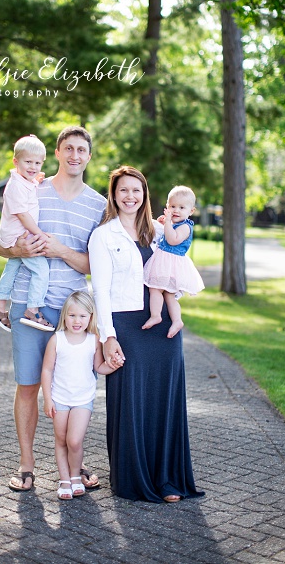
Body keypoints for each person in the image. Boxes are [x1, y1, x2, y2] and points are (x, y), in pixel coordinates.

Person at [0, 126, 107, 492]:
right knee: (28, 385)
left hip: (73, 311)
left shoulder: (98, 205)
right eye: (68, 148)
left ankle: (76, 462)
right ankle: (27, 465)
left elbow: (95, 264)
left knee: (73, 388)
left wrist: (60, 250)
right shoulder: (31, 187)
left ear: (89, 156)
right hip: (29, 303)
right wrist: (17, 251)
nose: (75, 155)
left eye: (81, 150)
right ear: (57, 152)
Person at [89, 166, 204, 503]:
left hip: (163, 326)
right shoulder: (103, 236)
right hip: (127, 325)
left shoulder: (159, 229)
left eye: (136, 190)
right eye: (123, 190)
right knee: (132, 400)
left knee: (164, 399)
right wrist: (107, 337)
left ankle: (168, 479)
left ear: (145, 195)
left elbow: (175, 266)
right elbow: (101, 291)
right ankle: (135, 478)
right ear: (114, 194)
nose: (130, 196)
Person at [40, 291, 117, 500]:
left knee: (74, 441)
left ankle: (75, 476)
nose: (77, 321)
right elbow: (47, 370)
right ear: (64, 316)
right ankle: (64, 480)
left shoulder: (94, 340)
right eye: (72, 315)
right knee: (61, 439)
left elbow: (98, 367)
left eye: (82, 316)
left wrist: (113, 365)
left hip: (83, 399)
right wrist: (47, 399)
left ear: (91, 317)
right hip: (59, 398)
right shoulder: (57, 339)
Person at [0, 134, 54, 332]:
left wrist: (35, 180)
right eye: (28, 162)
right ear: (16, 161)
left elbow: (29, 187)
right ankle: (33, 310)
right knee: (41, 270)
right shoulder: (15, 186)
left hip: (14, 235)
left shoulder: (24, 181)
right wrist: (39, 233)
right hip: (20, 236)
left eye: (38, 163)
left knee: (12, 268)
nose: (33, 167)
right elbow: (23, 215)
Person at [141, 185, 205, 336]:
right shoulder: (176, 224)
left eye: (182, 207)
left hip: (170, 265)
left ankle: (156, 316)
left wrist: (168, 224)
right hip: (166, 263)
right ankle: (177, 320)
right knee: (168, 294)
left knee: (156, 289)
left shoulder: (186, 227)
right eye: (172, 206)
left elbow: (172, 239)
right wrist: (165, 224)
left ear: (191, 211)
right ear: (167, 206)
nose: (176, 210)